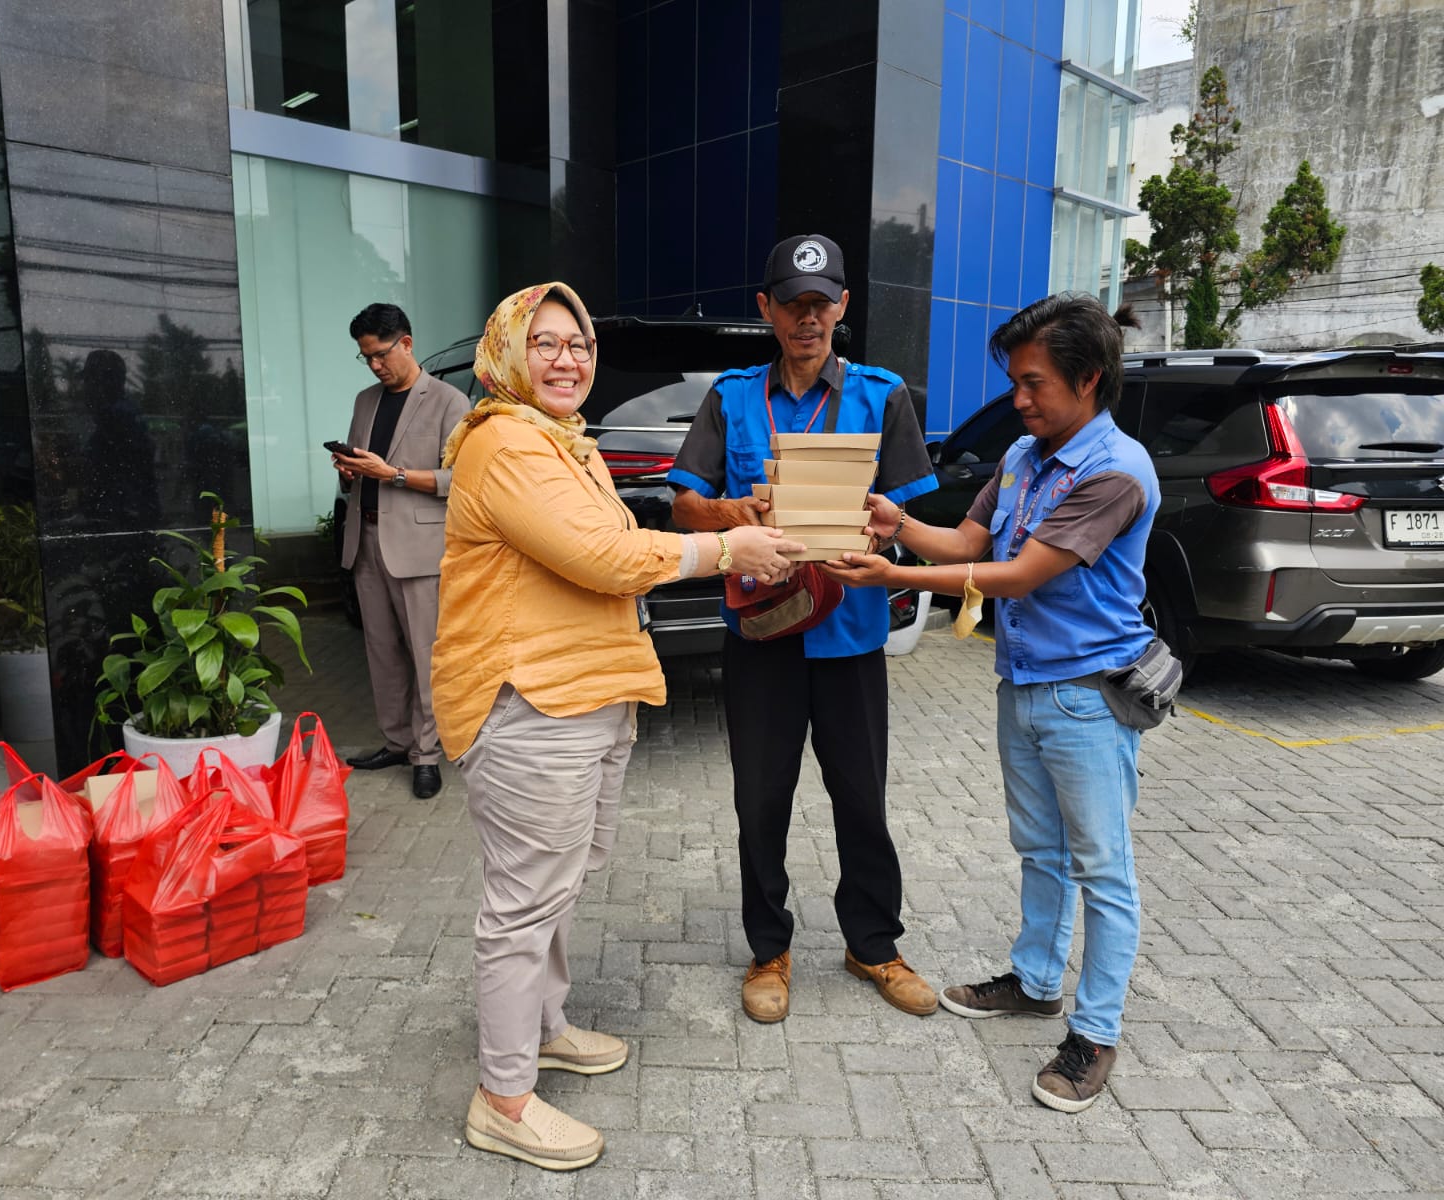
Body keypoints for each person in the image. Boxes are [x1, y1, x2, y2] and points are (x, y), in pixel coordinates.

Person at [432, 282, 803, 1171]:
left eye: (579, 345)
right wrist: (726, 549)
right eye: (548, 344)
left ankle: (545, 1027)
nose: (569, 361)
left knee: (556, 886)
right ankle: (504, 1098)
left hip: (584, 694)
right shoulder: (508, 442)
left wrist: (726, 523)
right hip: (528, 701)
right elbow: (603, 557)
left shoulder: (569, 445)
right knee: (524, 903)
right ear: (510, 353)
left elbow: (615, 546)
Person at [821, 292, 1160, 1113]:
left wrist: (895, 577)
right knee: (1040, 850)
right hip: (1024, 688)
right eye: (1014, 381)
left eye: (1033, 382)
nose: (1018, 398)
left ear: (1089, 379)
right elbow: (971, 545)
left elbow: (1017, 575)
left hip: (1089, 699)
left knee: (1103, 871)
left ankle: (1094, 1032)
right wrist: (898, 522)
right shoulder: (1023, 455)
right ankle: (1037, 982)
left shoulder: (1114, 472)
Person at [666, 234, 941, 1025]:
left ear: (843, 307)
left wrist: (887, 534)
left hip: (850, 633)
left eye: (822, 303)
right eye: (792, 303)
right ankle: (768, 949)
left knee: (861, 798)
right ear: (767, 310)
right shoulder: (732, 397)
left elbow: (908, 512)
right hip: (762, 636)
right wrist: (732, 511)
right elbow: (685, 505)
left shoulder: (882, 397)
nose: (807, 317)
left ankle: (874, 945)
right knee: (762, 799)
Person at [333, 303, 470, 800]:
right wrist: (349, 470)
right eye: (365, 357)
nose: (374, 365)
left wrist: (390, 474)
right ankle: (396, 741)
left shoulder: (450, 402)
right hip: (366, 539)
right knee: (382, 653)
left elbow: (464, 480)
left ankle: (427, 755)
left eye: (380, 354)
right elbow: (362, 464)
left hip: (418, 547)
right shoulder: (365, 400)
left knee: (426, 655)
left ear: (407, 344)